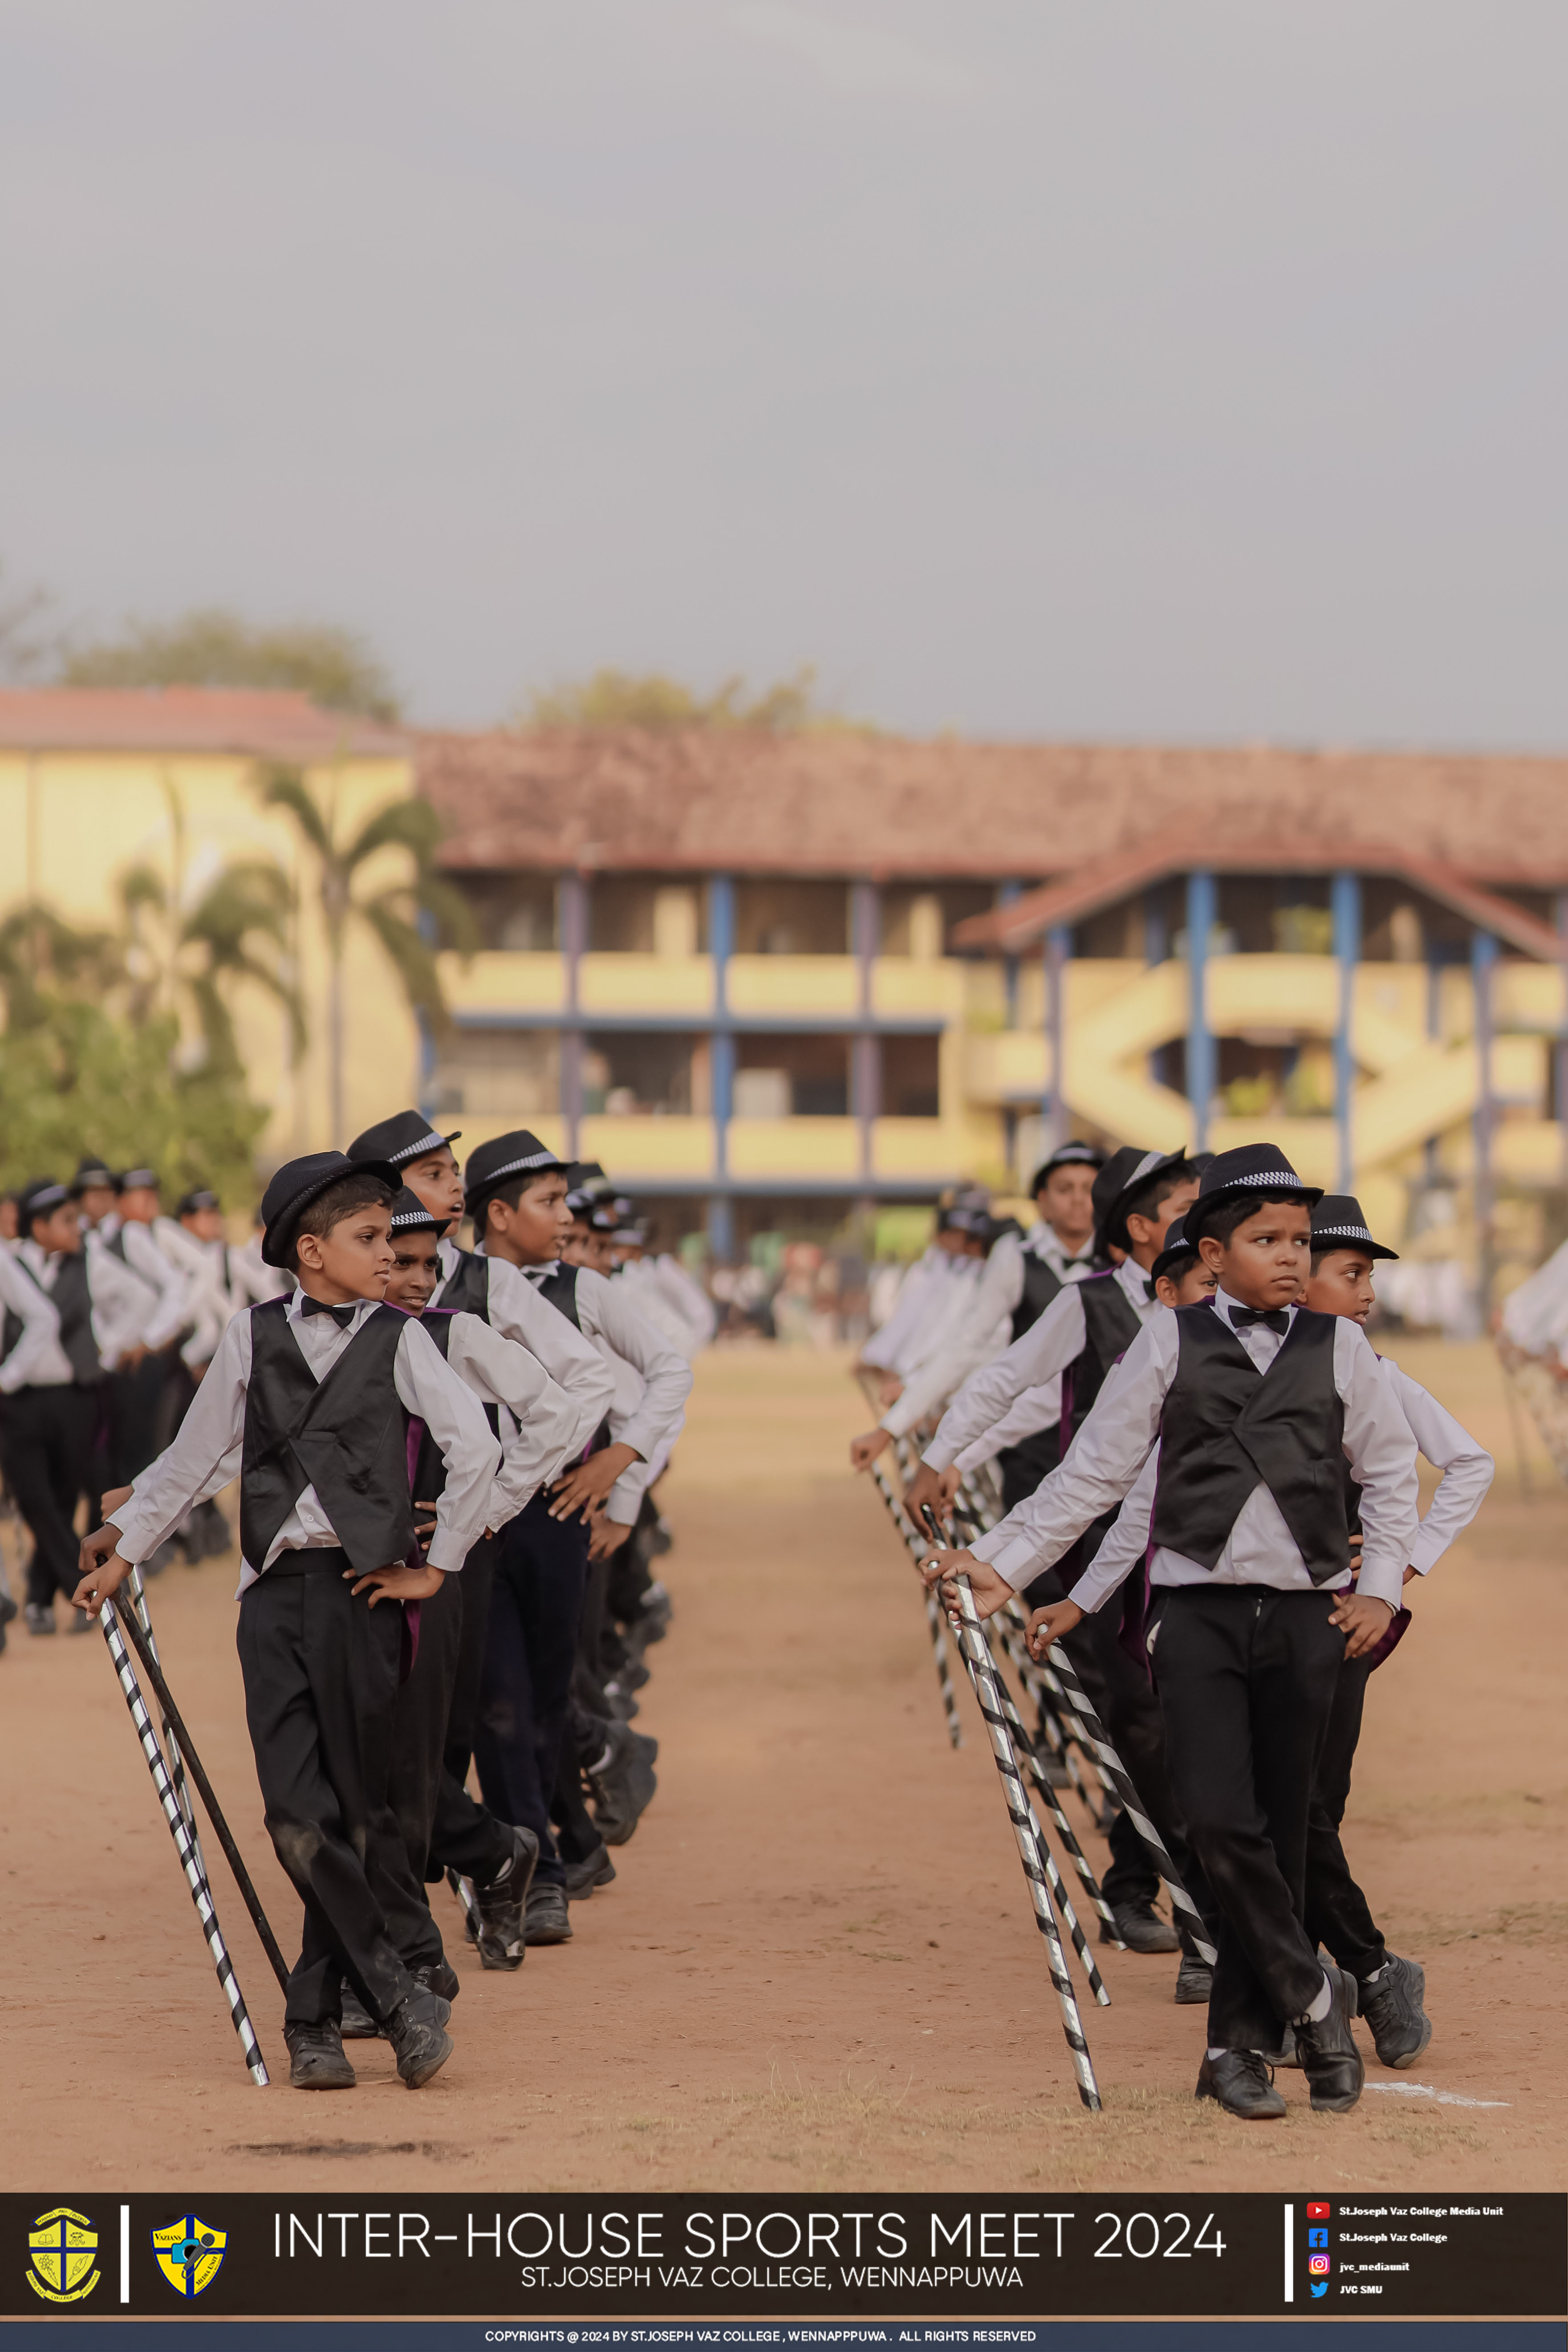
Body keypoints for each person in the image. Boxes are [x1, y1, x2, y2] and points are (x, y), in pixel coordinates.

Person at [927, 1145, 1421, 2121]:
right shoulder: (1167, 1338)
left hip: (1309, 1617)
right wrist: (1001, 1563)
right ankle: (1318, 1996)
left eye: (1298, 1240)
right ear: (1212, 1250)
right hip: (1193, 1614)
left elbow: (1395, 1473)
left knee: (1280, 1833)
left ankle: (1237, 2045)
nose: (1290, 1256)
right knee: (1211, 1816)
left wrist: (1380, 1588)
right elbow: (1091, 1477)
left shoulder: (1346, 1350)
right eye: (1265, 1239)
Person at [72, 1151, 501, 2093]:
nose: (392, 1253)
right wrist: (124, 1545)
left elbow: (475, 1449)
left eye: (392, 1238)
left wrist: (442, 1565)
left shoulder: (404, 1337)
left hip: (364, 1596)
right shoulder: (250, 1334)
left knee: (352, 1811)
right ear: (312, 1252)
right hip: (270, 1597)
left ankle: (314, 2022)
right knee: (295, 1816)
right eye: (371, 1237)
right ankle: (393, 1995)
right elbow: (193, 1460)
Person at [340, 1186, 580, 2014]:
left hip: (438, 1564)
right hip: (348, 1569)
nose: (409, 1276)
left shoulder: (450, 1332)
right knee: (363, 1759)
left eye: (424, 1263)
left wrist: (489, 1508)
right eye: (392, 1256)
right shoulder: (320, 1337)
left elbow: (557, 1410)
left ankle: (416, 1946)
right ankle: (487, 1859)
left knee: (412, 1755)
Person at [458, 1131, 691, 1939]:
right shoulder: (443, 1285)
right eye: (549, 1203)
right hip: (469, 1519)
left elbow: (669, 1369)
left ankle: (557, 1847)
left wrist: (622, 1474)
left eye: (565, 1201)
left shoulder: (584, 1292)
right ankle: (537, 1870)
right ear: (496, 1212)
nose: (566, 1218)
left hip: (557, 1514)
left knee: (551, 1694)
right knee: (495, 1704)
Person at [1287, 1193, 1494, 2071]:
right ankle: (1353, 1975)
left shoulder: (1374, 1368)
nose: (1367, 1291)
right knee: (1289, 1810)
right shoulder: (1252, 1363)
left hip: (1344, 1620)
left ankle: (1347, 1979)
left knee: (1305, 1806)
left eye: (1369, 1275)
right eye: (1353, 1273)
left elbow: (1468, 1460)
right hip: (1255, 1611)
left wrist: (1401, 1561)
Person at [9, 1178, 154, 1632]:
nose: (78, 1228)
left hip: (74, 1397)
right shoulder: (10, 1263)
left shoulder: (91, 1261)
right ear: (39, 1226)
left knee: (65, 1494)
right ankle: (80, 1582)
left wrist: (104, 1347)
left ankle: (37, 1599)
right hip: (19, 1400)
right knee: (34, 1498)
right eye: (67, 1221)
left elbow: (141, 1298)